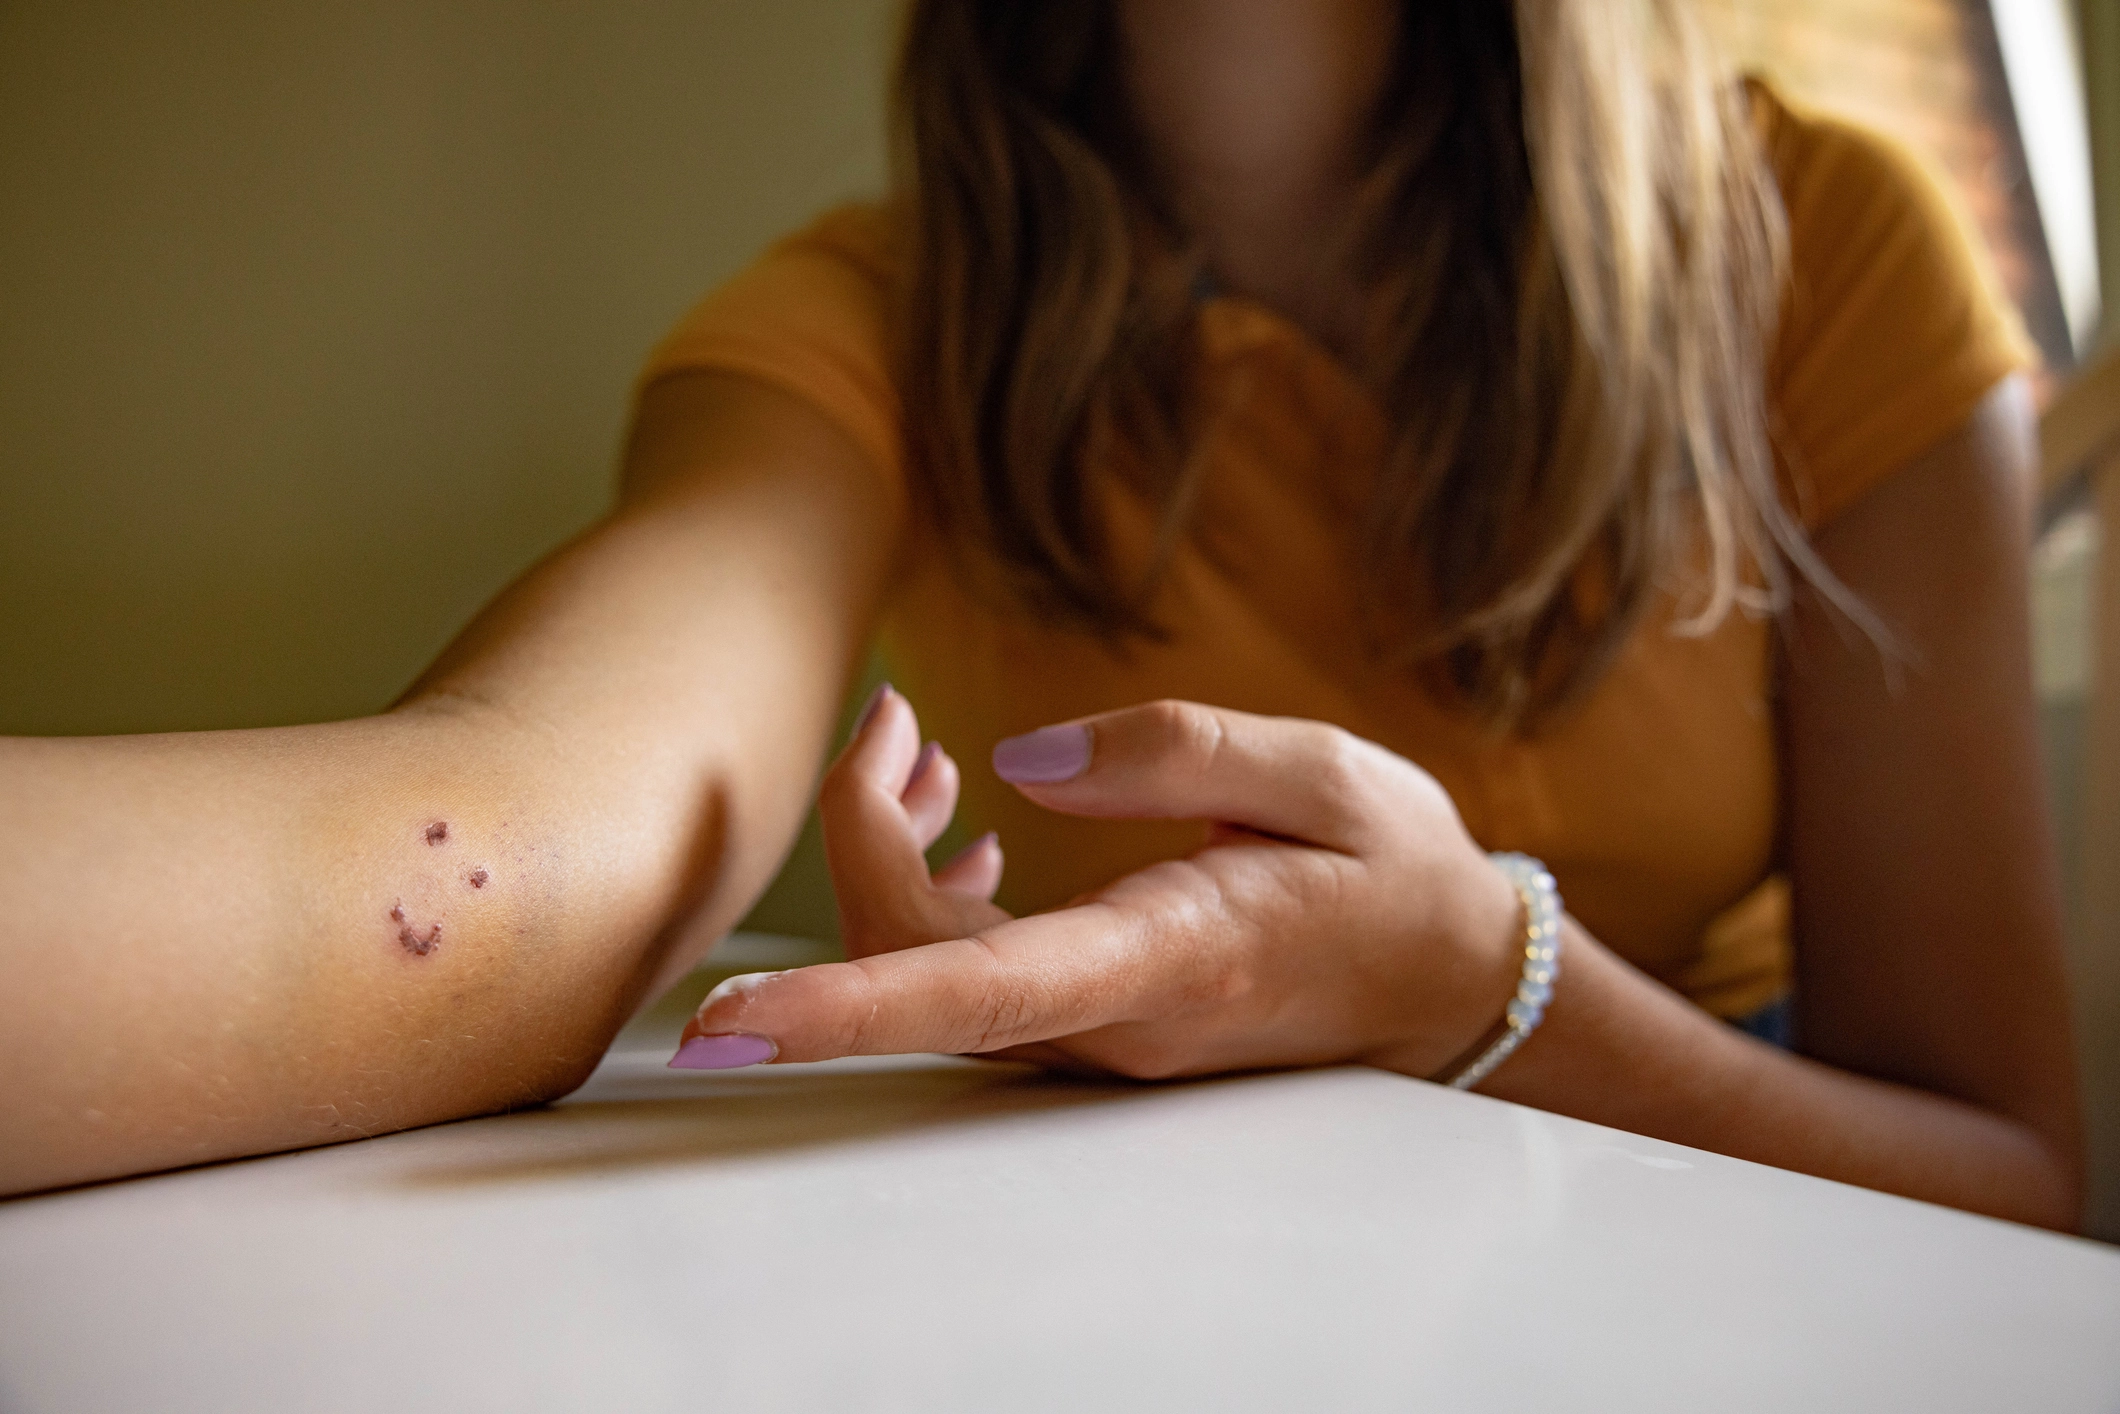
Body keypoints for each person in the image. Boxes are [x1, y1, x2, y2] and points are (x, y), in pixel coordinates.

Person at [0, 0, 2082, 1229]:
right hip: (1125, 1261)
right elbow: (500, 866)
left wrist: (1492, 989)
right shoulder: (867, 327)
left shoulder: (1825, 252)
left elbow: (2017, 1189)